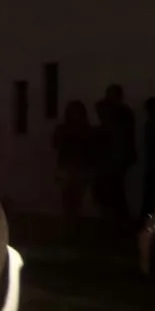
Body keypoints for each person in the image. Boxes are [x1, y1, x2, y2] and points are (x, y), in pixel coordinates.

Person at [92, 83, 137, 232]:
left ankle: (116, 223)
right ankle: (113, 223)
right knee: (109, 191)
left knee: (114, 191)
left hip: (116, 159)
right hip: (109, 159)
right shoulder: (115, 115)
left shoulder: (121, 115)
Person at [52, 100, 94, 239]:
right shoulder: (70, 129)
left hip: (78, 167)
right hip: (69, 167)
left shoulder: (83, 129)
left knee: (74, 201)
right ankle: (69, 230)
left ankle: (72, 230)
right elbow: (56, 144)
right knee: (68, 201)